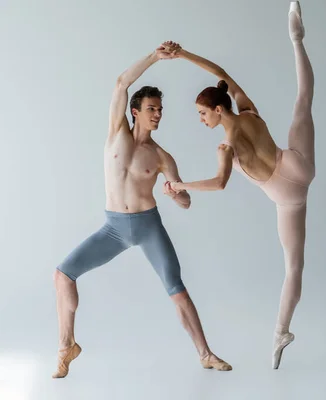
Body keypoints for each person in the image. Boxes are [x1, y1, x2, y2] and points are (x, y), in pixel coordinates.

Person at [52, 44, 232, 379]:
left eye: (160, 109)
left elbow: (185, 201)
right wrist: (154, 57)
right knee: (63, 275)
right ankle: (67, 346)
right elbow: (121, 83)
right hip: (113, 229)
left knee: (175, 286)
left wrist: (176, 194)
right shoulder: (116, 135)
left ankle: (205, 354)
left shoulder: (162, 157)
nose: (158, 114)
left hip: (149, 226)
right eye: (152, 108)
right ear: (135, 111)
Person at [163, 1, 314, 369]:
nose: (200, 120)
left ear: (217, 110)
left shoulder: (228, 145)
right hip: (296, 162)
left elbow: (219, 184)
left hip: (284, 194)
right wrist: (183, 55)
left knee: (293, 267)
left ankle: (280, 331)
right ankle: (296, 41)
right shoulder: (246, 109)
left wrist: (180, 184)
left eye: (202, 114)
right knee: (302, 101)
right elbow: (222, 73)